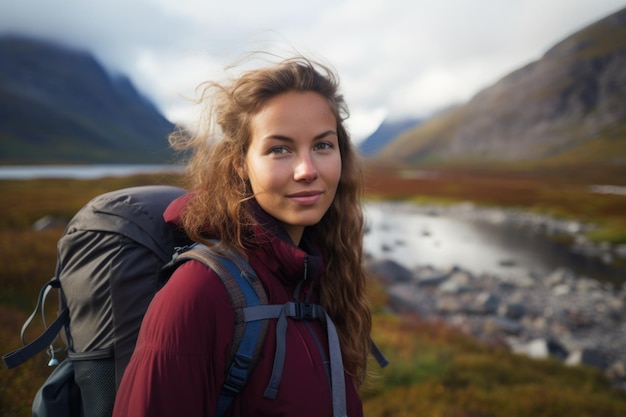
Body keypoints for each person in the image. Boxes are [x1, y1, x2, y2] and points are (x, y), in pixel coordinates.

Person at [112, 55, 374, 417]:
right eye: (279, 149)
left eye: (322, 145)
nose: (307, 170)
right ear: (240, 163)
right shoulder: (197, 293)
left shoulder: (320, 275)